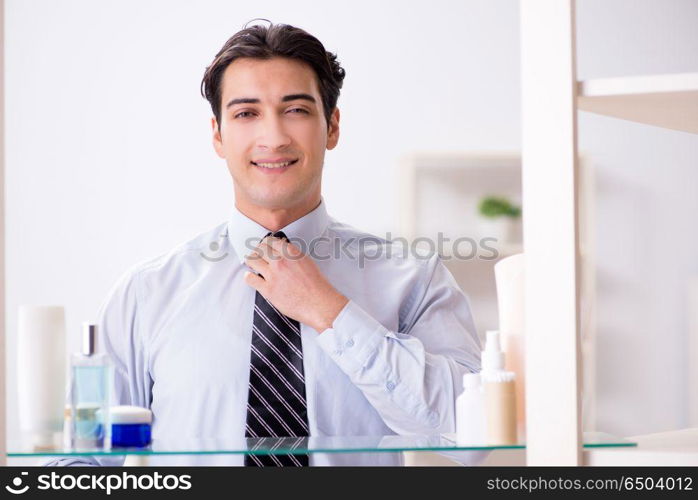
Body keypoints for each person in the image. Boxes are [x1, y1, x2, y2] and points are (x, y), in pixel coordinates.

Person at [45, 21, 481, 466]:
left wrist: (329, 312)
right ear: (217, 134)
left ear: (331, 126)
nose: (273, 137)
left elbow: (473, 439)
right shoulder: (146, 293)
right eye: (246, 113)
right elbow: (81, 464)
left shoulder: (412, 279)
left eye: (295, 110)